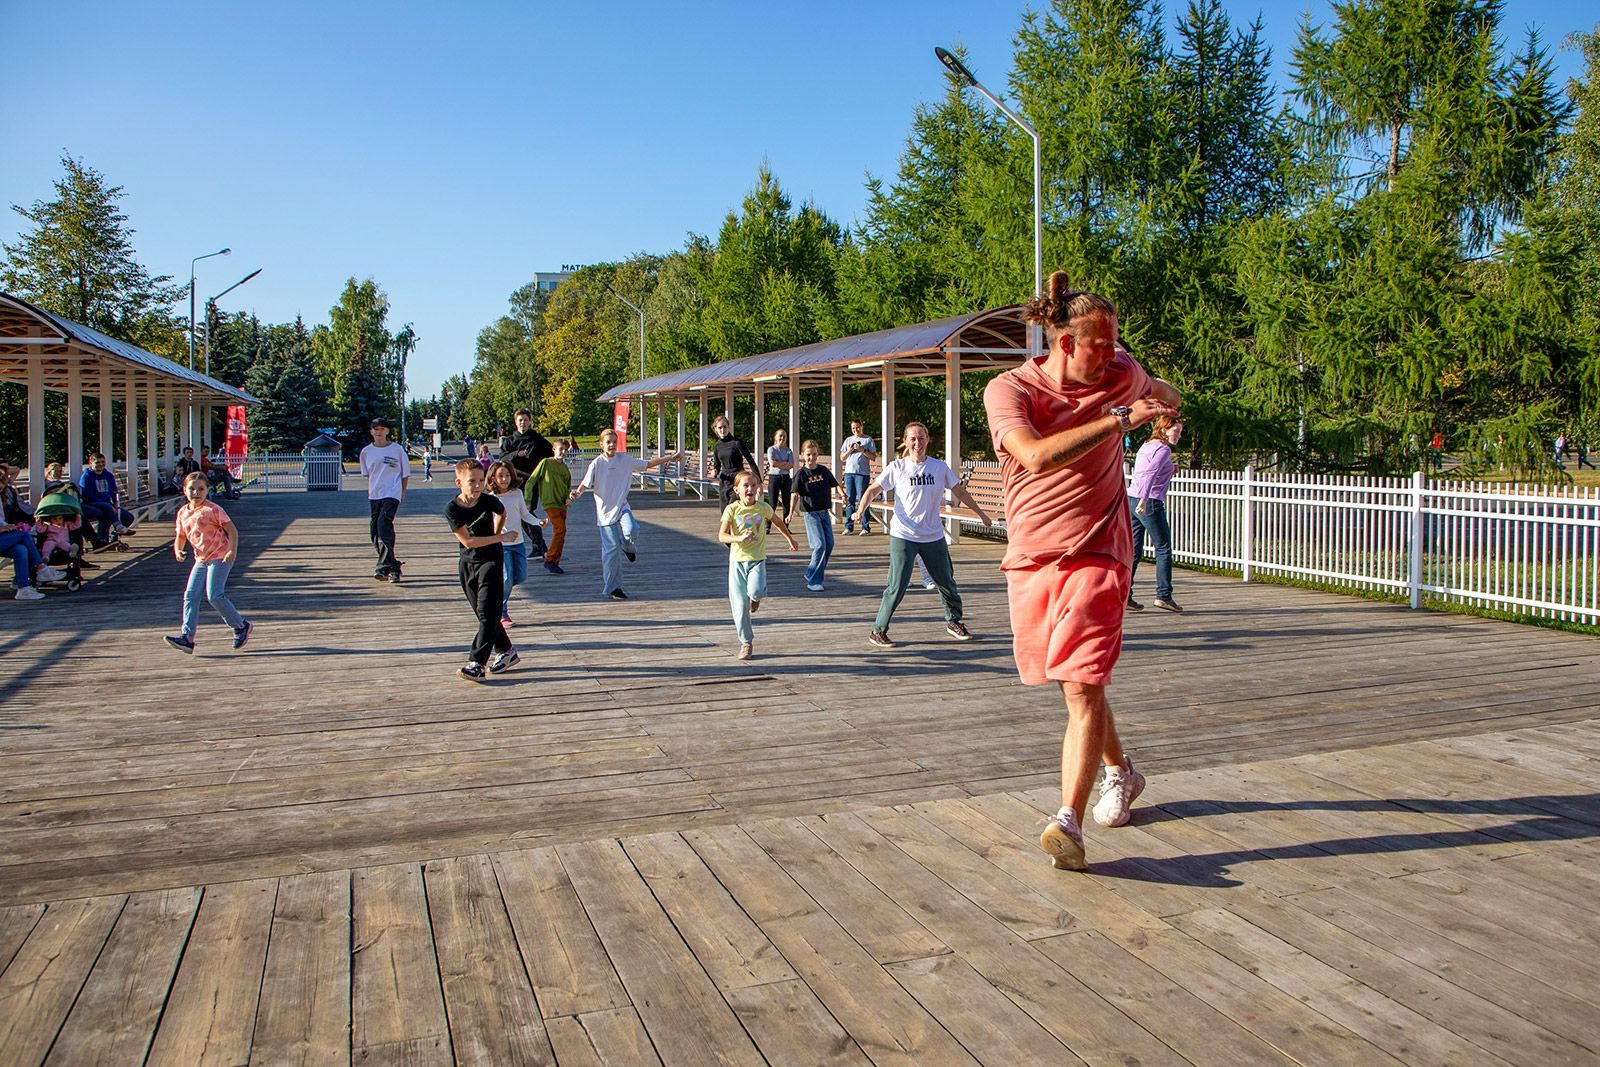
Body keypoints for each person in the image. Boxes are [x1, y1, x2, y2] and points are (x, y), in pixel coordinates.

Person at [983, 270, 1180, 870]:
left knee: (1082, 682)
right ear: (1065, 343)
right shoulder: (1010, 389)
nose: (1113, 354)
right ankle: (1122, 771)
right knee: (1074, 685)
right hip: (1033, 555)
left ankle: (1066, 820)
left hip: (1100, 549)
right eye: (1102, 344)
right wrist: (1122, 420)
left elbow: (1167, 393)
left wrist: (1161, 403)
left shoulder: (1121, 372)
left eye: (1117, 343)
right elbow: (1035, 456)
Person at [855, 422, 993, 648]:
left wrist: (981, 514)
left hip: (933, 535)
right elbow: (872, 490)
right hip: (904, 534)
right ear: (905, 442)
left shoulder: (939, 468)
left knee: (946, 581)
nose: (917, 443)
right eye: (912, 439)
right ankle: (878, 630)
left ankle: (954, 622)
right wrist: (860, 510)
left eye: (921, 438)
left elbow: (959, 491)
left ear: (928, 440)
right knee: (897, 585)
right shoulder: (897, 467)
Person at [571, 429, 682, 599]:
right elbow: (584, 485)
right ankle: (613, 588)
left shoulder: (624, 460)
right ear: (601, 444)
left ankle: (628, 546)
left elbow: (648, 464)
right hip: (605, 513)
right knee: (611, 552)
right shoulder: (597, 463)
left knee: (632, 530)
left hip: (622, 506)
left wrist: (670, 458)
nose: (612, 445)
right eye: (608, 442)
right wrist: (576, 494)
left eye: (614, 442)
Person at [444, 458, 520, 682]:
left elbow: (502, 512)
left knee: (488, 613)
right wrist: (500, 537)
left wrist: (496, 535)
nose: (477, 486)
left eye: (480, 481)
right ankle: (506, 650)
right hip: (468, 563)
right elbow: (468, 541)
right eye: (472, 481)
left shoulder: (488, 501)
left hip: (491, 560)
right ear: (459, 482)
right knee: (483, 614)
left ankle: (477, 664)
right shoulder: (452, 509)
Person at [163, 472, 253, 653]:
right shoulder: (183, 512)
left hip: (220, 556)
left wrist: (232, 551)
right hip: (201, 559)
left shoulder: (212, 510)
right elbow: (180, 536)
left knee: (214, 595)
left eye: (201, 489)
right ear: (184, 490)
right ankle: (187, 638)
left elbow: (232, 530)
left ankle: (240, 625)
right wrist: (178, 550)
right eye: (192, 489)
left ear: (207, 490)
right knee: (191, 595)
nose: (196, 493)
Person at [720, 470, 799, 661]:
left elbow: (778, 522)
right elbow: (722, 535)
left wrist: (790, 539)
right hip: (737, 561)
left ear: (758, 489)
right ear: (737, 490)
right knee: (740, 606)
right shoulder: (732, 509)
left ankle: (755, 597)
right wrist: (738, 538)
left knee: (755, 591)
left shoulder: (763, 508)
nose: (750, 489)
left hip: (757, 559)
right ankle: (746, 643)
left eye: (753, 485)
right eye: (745, 486)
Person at [1127, 416, 1184, 613]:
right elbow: (1150, 474)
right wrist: (1144, 500)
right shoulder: (1163, 449)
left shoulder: (1147, 445)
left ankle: (1125, 595)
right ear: (1164, 430)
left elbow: (1145, 470)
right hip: (1148, 501)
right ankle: (1164, 596)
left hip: (1132, 498)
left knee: (1134, 550)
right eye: (1175, 432)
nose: (1178, 436)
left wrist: (1172, 468)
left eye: (1180, 432)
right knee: (1163, 548)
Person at [487, 460, 537, 628]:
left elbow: (525, 514)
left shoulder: (517, 493)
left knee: (520, 576)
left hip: (518, 543)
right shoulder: (491, 498)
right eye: (500, 476)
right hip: (501, 544)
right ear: (493, 478)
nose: (504, 479)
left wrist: (538, 522)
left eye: (507, 475)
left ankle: (498, 589)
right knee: (507, 578)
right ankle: (502, 613)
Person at [360, 417, 410, 582]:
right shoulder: (366, 452)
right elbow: (368, 474)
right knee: (375, 532)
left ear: (387, 431)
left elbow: (405, 474)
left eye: (382, 429)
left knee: (384, 523)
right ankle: (393, 566)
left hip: (392, 493)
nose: (379, 432)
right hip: (375, 494)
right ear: (371, 432)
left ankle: (382, 568)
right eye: (376, 429)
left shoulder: (397, 450)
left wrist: (402, 492)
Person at [787, 439, 840, 591]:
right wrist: (790, 513)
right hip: (811, 514)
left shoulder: (823, 470)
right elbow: (794, 494)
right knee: (819, 545)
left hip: (824, 512)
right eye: (808, 454)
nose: (811, 458)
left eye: (814, 454)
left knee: (829, 544)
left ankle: (811, 572)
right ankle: (814, 581)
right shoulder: (801, 474)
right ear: (803, 455)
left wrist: (843, 495)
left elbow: (835, 484)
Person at [525, 438, 573, 574]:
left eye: (566, 450)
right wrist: (527, 500)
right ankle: (550, 560)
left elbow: (568, 487)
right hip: (550, 502)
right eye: (560, 449)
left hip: (562, 504)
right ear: (554, 449)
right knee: (560, 529)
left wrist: (569, 498)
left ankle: (555, 561)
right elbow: (531, 481)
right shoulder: (546, 463)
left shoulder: (565, 468)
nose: (563, 452)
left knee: (561, 532)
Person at [77, 453, 136, 542]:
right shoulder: (87, 476)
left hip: (108, 505)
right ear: (91, 463)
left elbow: (114, 491)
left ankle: (114, 537)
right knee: (106, 514)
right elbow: (87, 496)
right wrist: (106, 505)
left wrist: (115, 503)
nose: (101, 464)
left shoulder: (108, 475)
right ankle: (103, 539)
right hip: (91, 504)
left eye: (103, 462)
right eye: (97, 462)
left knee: (128, 517)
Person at [706, 415, 759, 509]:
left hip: (737, 479)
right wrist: (714, 471)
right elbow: (717, 465)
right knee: (724, 510)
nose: (723, 430)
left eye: (725, 427)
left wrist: (759, 482)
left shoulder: (737, 443)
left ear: (729, 427)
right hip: (725, 480)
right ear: (716, 429)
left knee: (733, 508)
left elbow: (751, 461)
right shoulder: (717, 445)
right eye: (720, 427)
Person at [840, 419, 877, 535]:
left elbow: (873, 457)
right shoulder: (848, 440)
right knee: (849, 499)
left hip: (862, 474)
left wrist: (862, 449)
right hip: (849, 473)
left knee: (863, 499)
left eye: (857, 427)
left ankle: (865, 527)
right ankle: (849, 526)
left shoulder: (868, 440)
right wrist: (850, 450)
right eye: (853, 428)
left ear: (861, 427)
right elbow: (842, 458)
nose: (855, 430)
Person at [500, 408, 555, 484]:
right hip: (515, 480)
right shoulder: (509, 441)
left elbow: (552, 453)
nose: (523, 422)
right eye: (520, 420)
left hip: (534, 480)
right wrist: (516, 454)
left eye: (525, 420)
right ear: (516, 422)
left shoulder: (537, 439)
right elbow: (503, 459)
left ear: (529, 422)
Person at [764, 429, 794, 531]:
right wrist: (784, 463)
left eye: (784, 436)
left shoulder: (788, 450)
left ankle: (786, 527)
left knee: (786, 503)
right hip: (774, 477)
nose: (782, 438)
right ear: (775, 437)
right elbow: (772, 463)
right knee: (772, 503)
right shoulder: (771, 449)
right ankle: (767, 526)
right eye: (780, 436)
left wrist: (779, 463)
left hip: (786, 478)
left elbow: (791, 465)